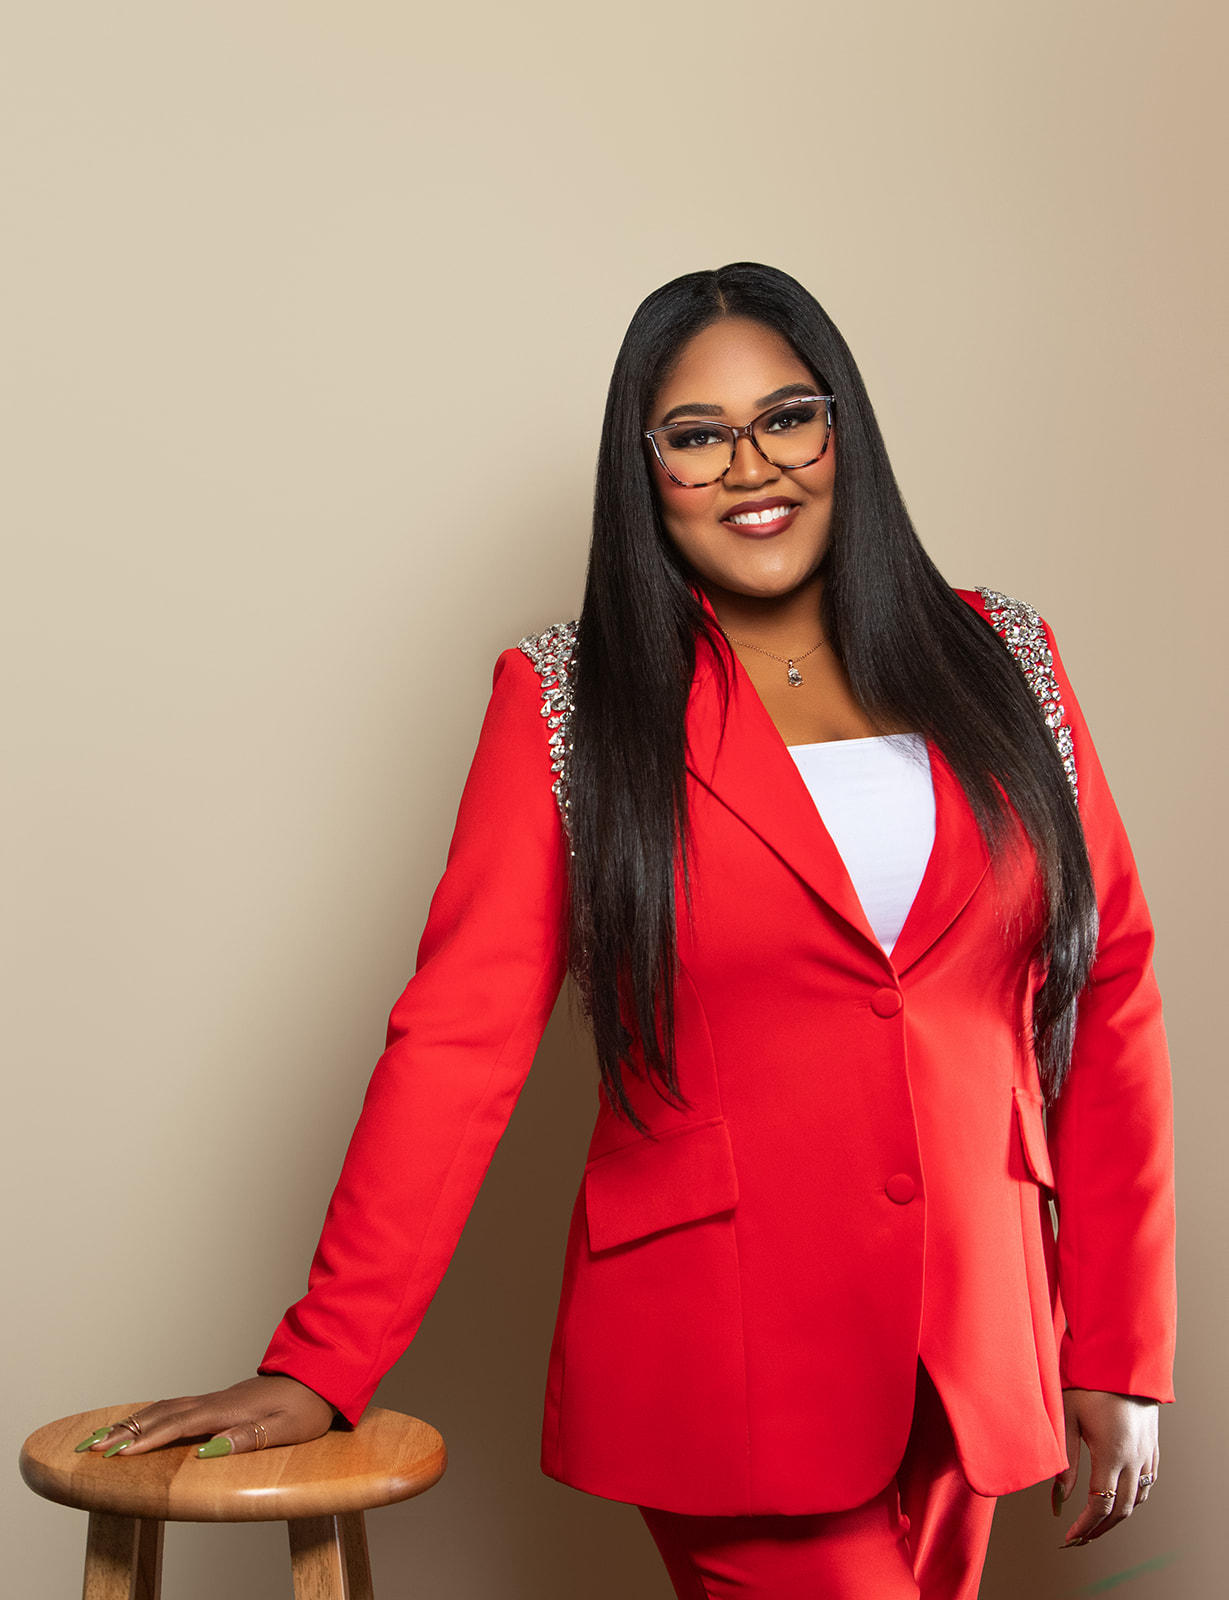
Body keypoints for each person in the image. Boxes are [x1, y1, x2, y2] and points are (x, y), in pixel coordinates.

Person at [78, 264, 1175, 1600]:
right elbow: (458, 1043)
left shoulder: (1000, 658)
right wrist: (322, 1356)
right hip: (726, 1354)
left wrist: (1114, 1349)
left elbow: (1106, 992)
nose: (750, 465)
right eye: (695, 436)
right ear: (642, 467)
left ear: (844, 430)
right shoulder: (565, 702)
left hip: (972, 1344)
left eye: (788, 417)